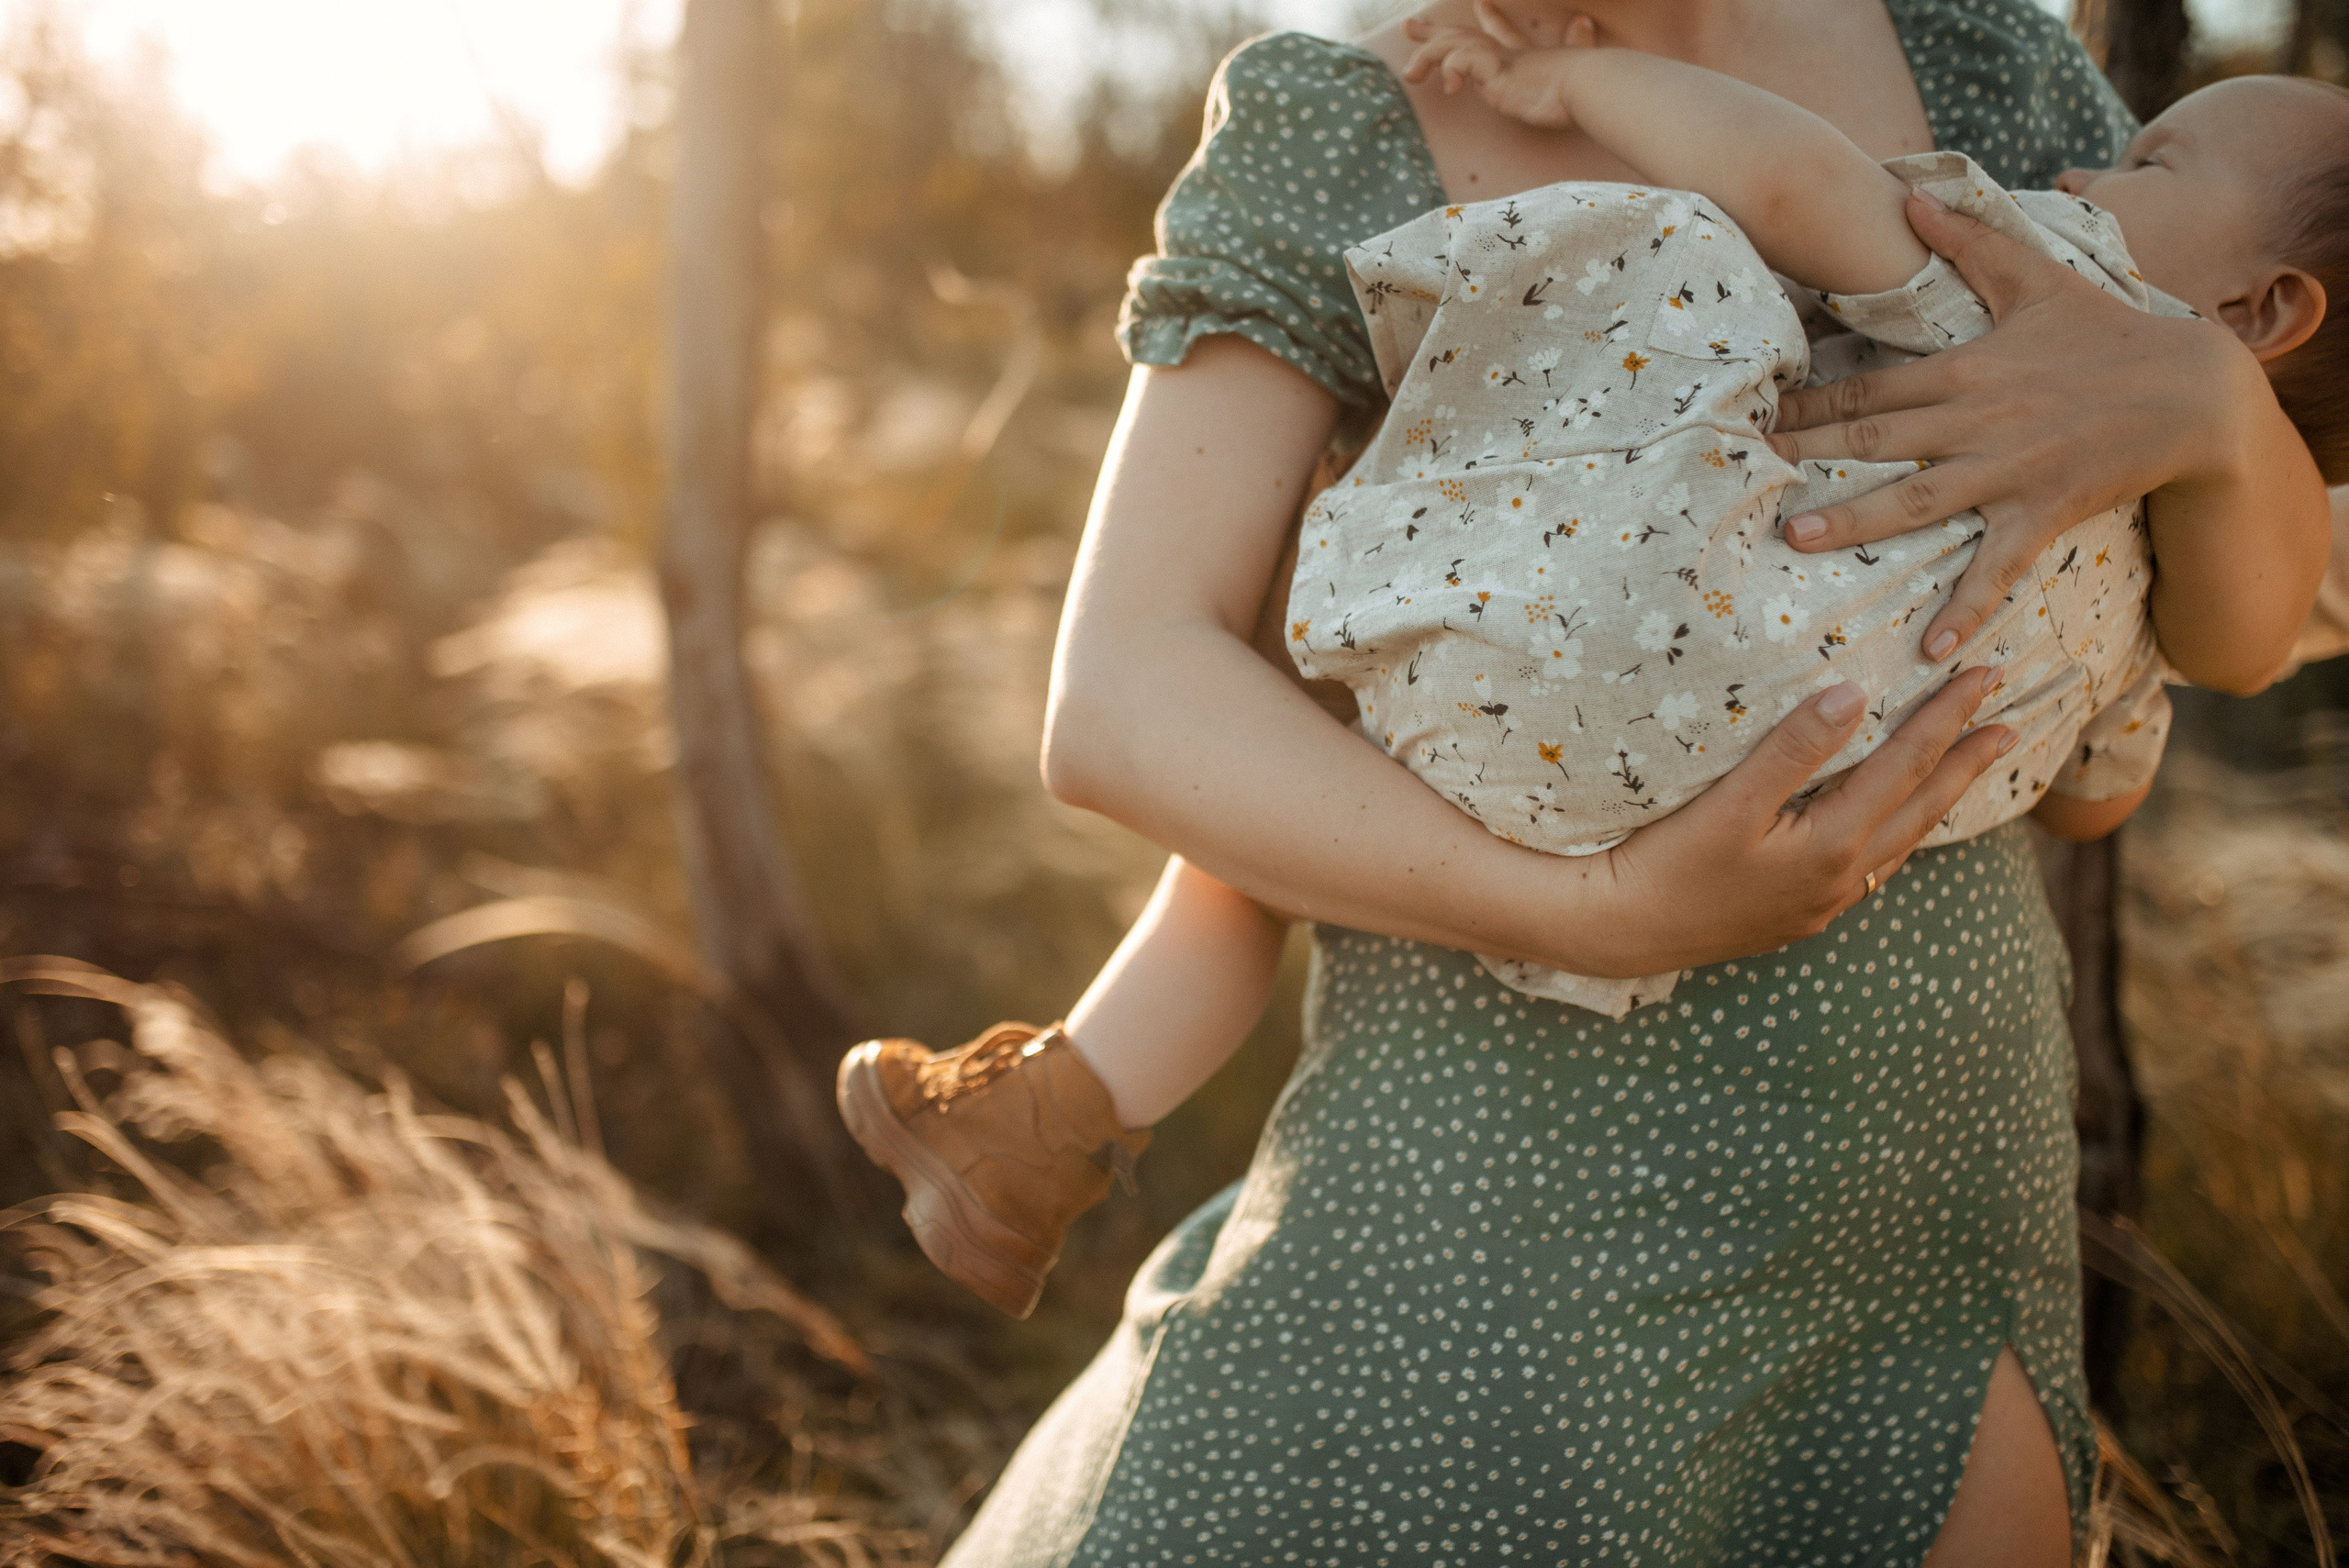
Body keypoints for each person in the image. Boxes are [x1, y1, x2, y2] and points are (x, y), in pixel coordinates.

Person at [910, 1, 2336, 1562]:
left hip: (1916, 1190)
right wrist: (1590, 911)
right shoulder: (1350, 115)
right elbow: (1123, 698)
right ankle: (1059, 1105)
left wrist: (2210, 412)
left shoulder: (1983, 61)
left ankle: (1055, 1103)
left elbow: (2206, 657)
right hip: (1492, 1186)